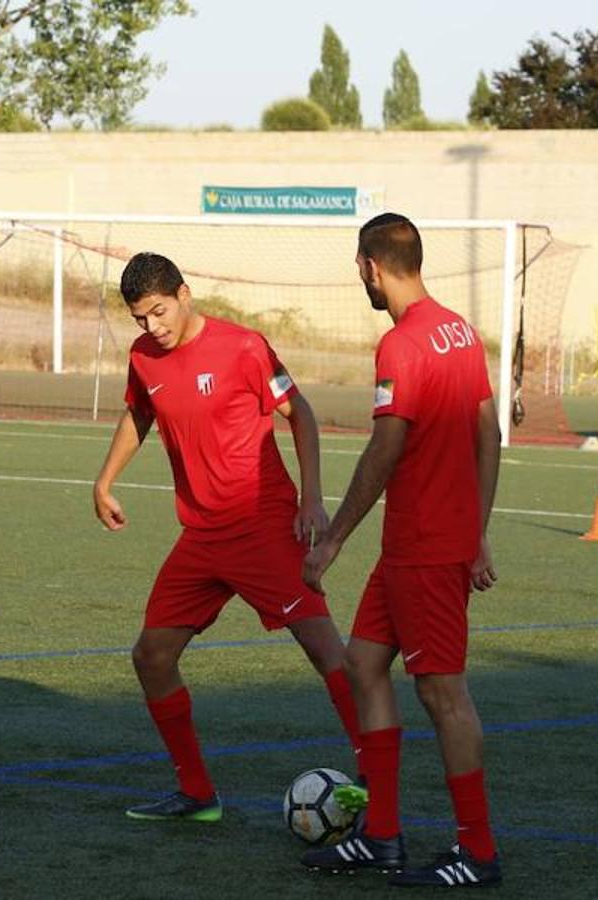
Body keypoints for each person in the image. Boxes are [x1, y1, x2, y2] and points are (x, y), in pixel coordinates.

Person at [93, 252, 364, 823]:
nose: (153, 328)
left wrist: (312, 497)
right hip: (201, 535)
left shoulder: (245, 347)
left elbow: (300, 413)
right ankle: (197, 793)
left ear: (185, 294)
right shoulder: (143, 358)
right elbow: (139, 415)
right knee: (152, 655)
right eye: (141, 319)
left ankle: (376, 776)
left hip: (263, 525)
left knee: (323, 650)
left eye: (160, 312)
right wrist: (105, 479)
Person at [298, 213, 502, 887]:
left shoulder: (403, 346)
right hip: (418, 544)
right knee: (363, 665)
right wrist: (479, 531)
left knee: (444, 696)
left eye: (359, 268)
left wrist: (330, 542)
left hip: (424, 548)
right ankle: (380, 836)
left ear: (371, 267)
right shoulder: (459, 331)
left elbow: (385, 447)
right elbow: (488, 433)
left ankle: (477, 851)